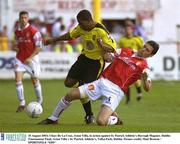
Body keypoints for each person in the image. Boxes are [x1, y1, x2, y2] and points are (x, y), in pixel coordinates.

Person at [39, 40, 159, 126]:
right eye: (144, 46)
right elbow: (110, 55)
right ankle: (53, 119)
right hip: (100, 83)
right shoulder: (126, 51)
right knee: (70, 95)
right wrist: (105, 52)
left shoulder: (144, 67)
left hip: (115, 92)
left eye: (147, 50)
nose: (143, 49)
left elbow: (148, 88)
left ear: (151, 55)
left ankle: (116, 120)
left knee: (101, 121)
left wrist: (144, 79)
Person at [44, 9, 116, 124]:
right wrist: (54, 40)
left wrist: (102, 45)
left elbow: (112, 47)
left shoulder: (101, 31)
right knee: (68, 83)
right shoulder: (82, 27)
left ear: (89, 21)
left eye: (81, 23)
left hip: (96, 64)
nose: (79, 25)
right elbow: (70, 35)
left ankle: (89, 115)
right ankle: (94, 91)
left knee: (84, 89)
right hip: (83, 59)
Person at [12, 11, 43, 112]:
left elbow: (39, 47)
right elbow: (16, 43)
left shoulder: (34, 31)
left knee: (34, 80)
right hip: (20, 59)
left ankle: (40, 100)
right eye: (22, 17)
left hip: (31, 60)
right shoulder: (17, 31)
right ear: (19, 18)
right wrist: (15, 47)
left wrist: (30, 57)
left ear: (28, 18)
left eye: (25, 17)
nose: (23, 19)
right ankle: (22, 103)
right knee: (17, 80)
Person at [119, 23, 144, 104]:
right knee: (126, 81)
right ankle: (128, 99)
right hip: (126, 63)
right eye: (126, 29)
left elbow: (142, 49)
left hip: (135, 62)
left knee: (136, 81)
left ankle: (139, 92)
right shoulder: (122, 40)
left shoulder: (137, 39)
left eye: (129, 29)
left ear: (132, 30)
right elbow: (120, 50)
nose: (127, 31)